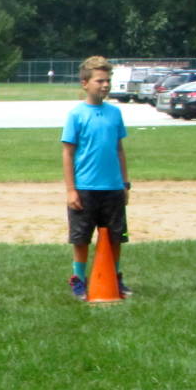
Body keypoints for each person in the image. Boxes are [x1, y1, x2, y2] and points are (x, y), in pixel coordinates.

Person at [61, 55, 131, 300]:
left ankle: (115, 277)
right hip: (85, 187)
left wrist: (125, 183)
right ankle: (78, 279)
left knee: (115, 236)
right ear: (85, 83)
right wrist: (71, 190)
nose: (105, 85)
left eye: (107, 80)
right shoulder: (76, 115)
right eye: (99, 80)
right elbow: (68, 153)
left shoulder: (114, 113)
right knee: (81, 238)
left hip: (112, 187)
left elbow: (119, 150)